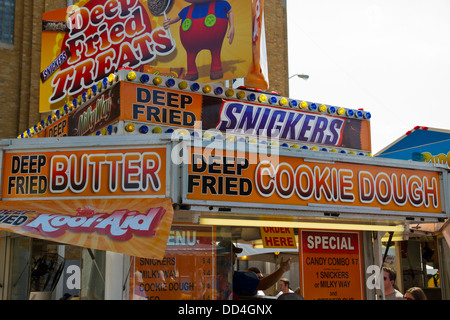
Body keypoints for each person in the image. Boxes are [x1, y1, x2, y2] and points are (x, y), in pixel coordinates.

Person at [217, 240, 291, 299]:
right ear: (227, 255)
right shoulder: (235, 277)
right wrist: (282, 269)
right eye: (234, 253)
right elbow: (263, 285)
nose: (235, 256)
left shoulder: (218, 274)